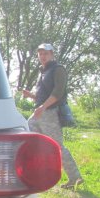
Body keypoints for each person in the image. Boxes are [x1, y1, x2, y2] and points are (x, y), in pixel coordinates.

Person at [21, 43, 84, 188]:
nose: (43, 56)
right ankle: (38, 172)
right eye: (40, 54)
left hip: (51, 113)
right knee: (31, 138)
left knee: (57, 146)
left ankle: (75, 177)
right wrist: (30, 95)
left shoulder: (58, 69)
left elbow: (58, 93)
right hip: (40, 112)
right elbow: (42, 96)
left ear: (52, 55)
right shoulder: (43, 71)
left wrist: (43, 107)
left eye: (46, 53)